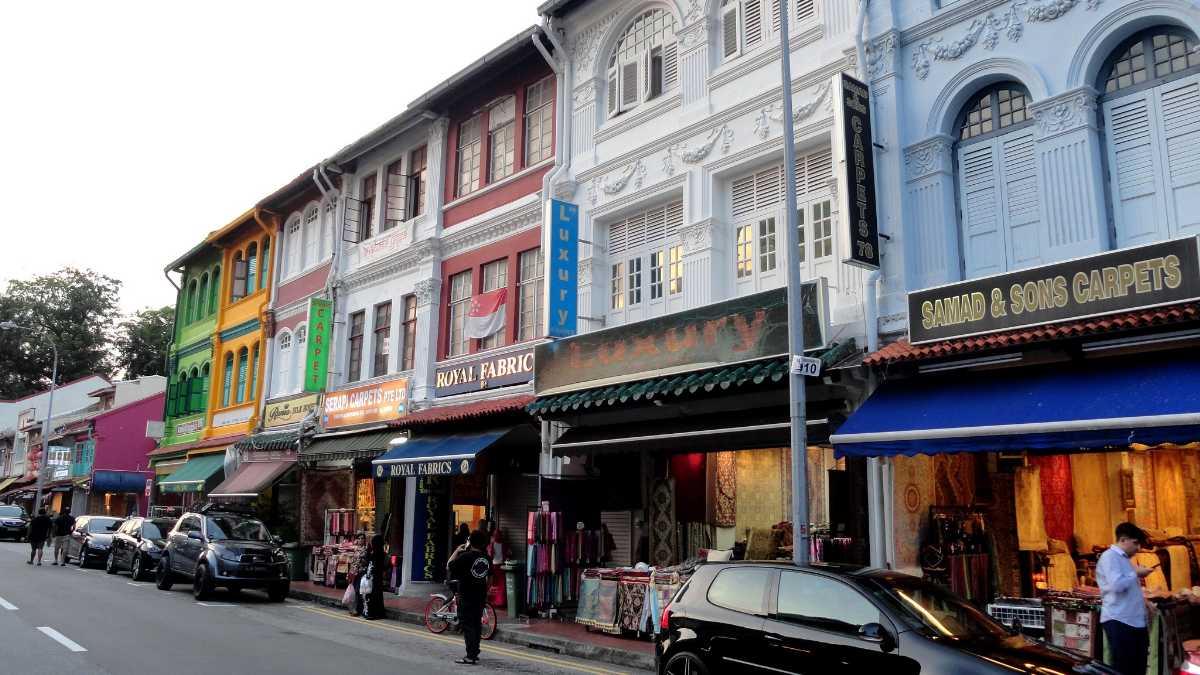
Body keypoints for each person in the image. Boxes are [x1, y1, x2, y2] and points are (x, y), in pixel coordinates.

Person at [1097, 522, 1154, 675]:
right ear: (1123, 540)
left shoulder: (1124, 559)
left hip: (1134, 621)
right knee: (1124, 668)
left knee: (1138, 666)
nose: (1138, 548)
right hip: (1119, 620)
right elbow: (1116, 586)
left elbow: (1128, 589)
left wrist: (1144, 602)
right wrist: (1136, 573)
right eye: (1135, 543)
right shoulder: (1109, 557)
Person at [447, 530, 491, 666]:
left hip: (466, 594)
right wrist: (485, 590)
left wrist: (456, 550)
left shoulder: (465, 557)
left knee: (467, 625)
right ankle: (474, 652)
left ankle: (470, 655)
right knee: (476, 624)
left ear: (470, 542)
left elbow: (449, 566)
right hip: (480, 595)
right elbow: (491, 578)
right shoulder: (486, 557)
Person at [359, 534, 386, 621]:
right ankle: (379, 613)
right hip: (378, 577)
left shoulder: (374, 553)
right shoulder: (381, 553)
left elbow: (371, 565)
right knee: (378, 596)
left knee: (370, 595)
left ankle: (370, 613)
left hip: (372, 577)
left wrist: (367, 575)